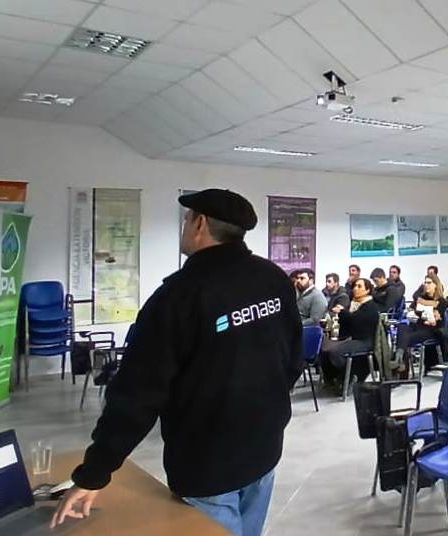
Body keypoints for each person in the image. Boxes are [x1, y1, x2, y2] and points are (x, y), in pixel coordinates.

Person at [52, 190, 303, 536]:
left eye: (187, 219)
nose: (185, 226)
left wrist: (94, 472)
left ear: (200, 224)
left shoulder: (178, 297)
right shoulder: (272, 277)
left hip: (208, 461)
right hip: (264, 444)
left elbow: (137, 396)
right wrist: (269, 409)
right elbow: (292, 356)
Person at [320, 278, 381, 390]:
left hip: (365, 341)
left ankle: (349, 376)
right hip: (350, 337)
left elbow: (356, 322)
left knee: (336, 353)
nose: (355, 289)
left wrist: (343, 312)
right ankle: (331, 380)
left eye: (359, 286)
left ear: (367, 290)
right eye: (355, 286)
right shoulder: (353, 304)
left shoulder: (371, 306)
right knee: (323, 350)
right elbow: (347, 322)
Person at [395, 274, 448, 370]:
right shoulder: (421, 298)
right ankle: (399, 357)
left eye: (429, 283)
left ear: (436, 285)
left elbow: (433, 321)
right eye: (425, 283)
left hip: (431, 330)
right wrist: (421, 314)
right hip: (417, 326)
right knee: (402, 326)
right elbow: (412, 311)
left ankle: (398, 359)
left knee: (404, 338)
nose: (426, 285)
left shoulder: (441, 301)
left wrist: (422, 314)